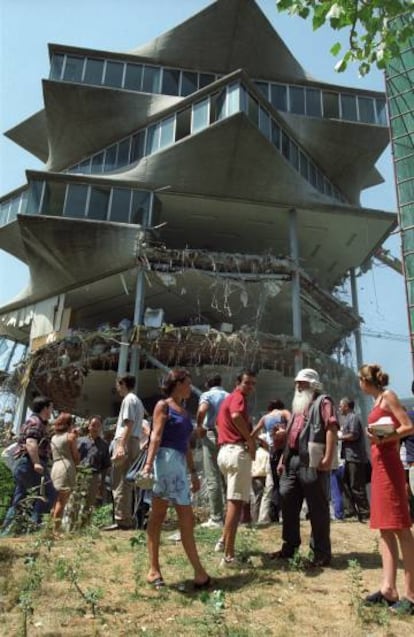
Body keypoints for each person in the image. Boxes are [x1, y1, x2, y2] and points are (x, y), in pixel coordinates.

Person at [142, 368, 210, 589]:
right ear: (177, 383)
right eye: (188, 383)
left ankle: (199, 573)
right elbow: (156, 435)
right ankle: (153, 570)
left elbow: (186, 446)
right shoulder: (164, 406)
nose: (190, 387)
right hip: (163, 463)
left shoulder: (183, 411)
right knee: (158, 517)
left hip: (179, 466)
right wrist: (148, 465)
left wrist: (193, 473)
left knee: (187, 519)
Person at [359, 364, 414, 614]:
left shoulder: (388, 396)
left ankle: (411, 596)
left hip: (389, 465)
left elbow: (407, 426)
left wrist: (379, 436)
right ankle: (388, 589)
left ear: (365, 380)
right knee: (385, 528)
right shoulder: (376, 401)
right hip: (380, 466)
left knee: (401, 527)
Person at [272, 368, 338, 567]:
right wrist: (283, 459)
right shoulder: (298, 406)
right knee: (287, 499)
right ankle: (289, 547)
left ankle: (321, 553)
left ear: (312, 384)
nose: (298, 386)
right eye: (297, 383)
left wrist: (328, 457)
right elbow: (294, 433)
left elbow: (332, 428)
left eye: (302, 383)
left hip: (312, 462)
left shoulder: (323, 402)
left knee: (317, 507)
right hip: (292, 460)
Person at [216, 369, 257, 567]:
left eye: (252, 384)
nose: (250, 387)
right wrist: (249, 439)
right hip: (236, 451)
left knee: (232, 501)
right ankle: (229, 556)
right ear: (238, 383)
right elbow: (235, 415)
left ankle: (223, 541)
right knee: (236, 502)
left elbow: (222, 421)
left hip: (224, 452)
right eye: (247, 383)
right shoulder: (238, 398)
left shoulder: (228, 398)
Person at [1, 396, 56, 535]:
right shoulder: (35, 422)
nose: (52, 411)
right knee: (49, 494)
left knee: (20, 500)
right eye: (51, 408)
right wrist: (37, 463)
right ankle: (33, 528)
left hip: (25, 464)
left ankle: (7, 533)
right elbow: (31, 442)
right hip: (30, 464)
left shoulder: (35, 422)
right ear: (45, 408)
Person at [106, 374, 145, 531]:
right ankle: (127, 517)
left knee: (120, 480)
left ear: (122, 384)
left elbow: (128, 423)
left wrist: (121, 445)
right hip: (134, 441)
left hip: (126, 441)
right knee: (128, 482)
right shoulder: (138, 401)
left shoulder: (128, 399)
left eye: (118, 384)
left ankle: (122, 519)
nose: (117, 388)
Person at [195, 373, 228, 528]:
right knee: (227, 477)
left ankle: (216, 518)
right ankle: (233, 515)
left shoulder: (207, 395)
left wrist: (199, 426)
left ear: (207, 384)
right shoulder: (229, 396)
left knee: (212, 476)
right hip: (227, 436)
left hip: (212, 435)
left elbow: (202, 410)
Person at [252, 400, 290, 523]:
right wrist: (284, 431)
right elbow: (294, 425)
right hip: (285, 451)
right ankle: (287, 513)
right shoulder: (284, 413)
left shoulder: (265, 418)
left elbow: (253, 434)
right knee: (287, 482)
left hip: (272, 452)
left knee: (275, 484)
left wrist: (264, 441)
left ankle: (274, 515)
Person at [338, 397, 370, 522]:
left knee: (356, 485)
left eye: (341, 406)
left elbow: (354, 435)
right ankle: (350, 511)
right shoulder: (347, 419)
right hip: (349, 457)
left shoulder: (353, 418)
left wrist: (339, 437)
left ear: (346, 406)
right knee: (345, 483)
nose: (339, 408)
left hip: (355, 457)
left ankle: (365, 512)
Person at [50, 412, 80, 532]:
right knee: (62, 501)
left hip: (55, 466)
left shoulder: (53, 437)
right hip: (66, 466)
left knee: (55, 500)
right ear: (69, 424)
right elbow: (76, 456)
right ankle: (56, 530)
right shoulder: (70, 437)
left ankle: (50, 527)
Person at [78, 415, 111, 516]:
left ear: (101, 428)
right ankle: (72, 527)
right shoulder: (80, 441)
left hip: (94, 476)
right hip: (79, 474)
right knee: (76, 501)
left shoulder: (104, 445)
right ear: (88, 427)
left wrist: (102, 483)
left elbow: (106, 466)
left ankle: (85, 527)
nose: (95, 428)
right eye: (93, 425)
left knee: (89, 503)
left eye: (98, 426)